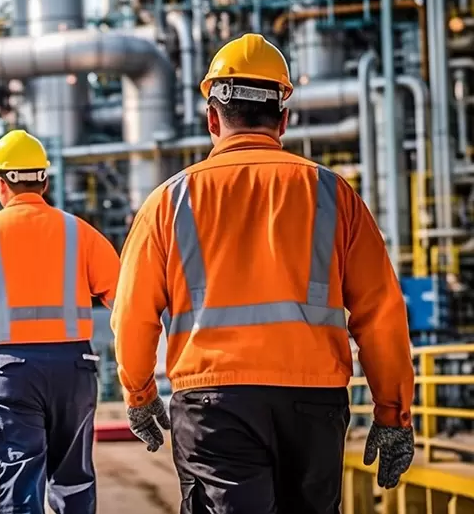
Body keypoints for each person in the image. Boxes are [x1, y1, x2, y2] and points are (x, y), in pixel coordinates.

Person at [110, 33, 416, 513]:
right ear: (284, 119)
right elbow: (381, 313)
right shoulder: (334, 195)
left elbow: (132, 314)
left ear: (212, 118)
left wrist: (140, 392)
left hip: (213, 405)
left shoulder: (168, 202)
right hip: (314, 403)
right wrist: (393, 413)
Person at [0, 130, 120, 514]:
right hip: (74, 369)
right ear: (44, 180)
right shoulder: (79, 232)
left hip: (11, 373)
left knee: (19, 476)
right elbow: (125, 301)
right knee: (73, 479)